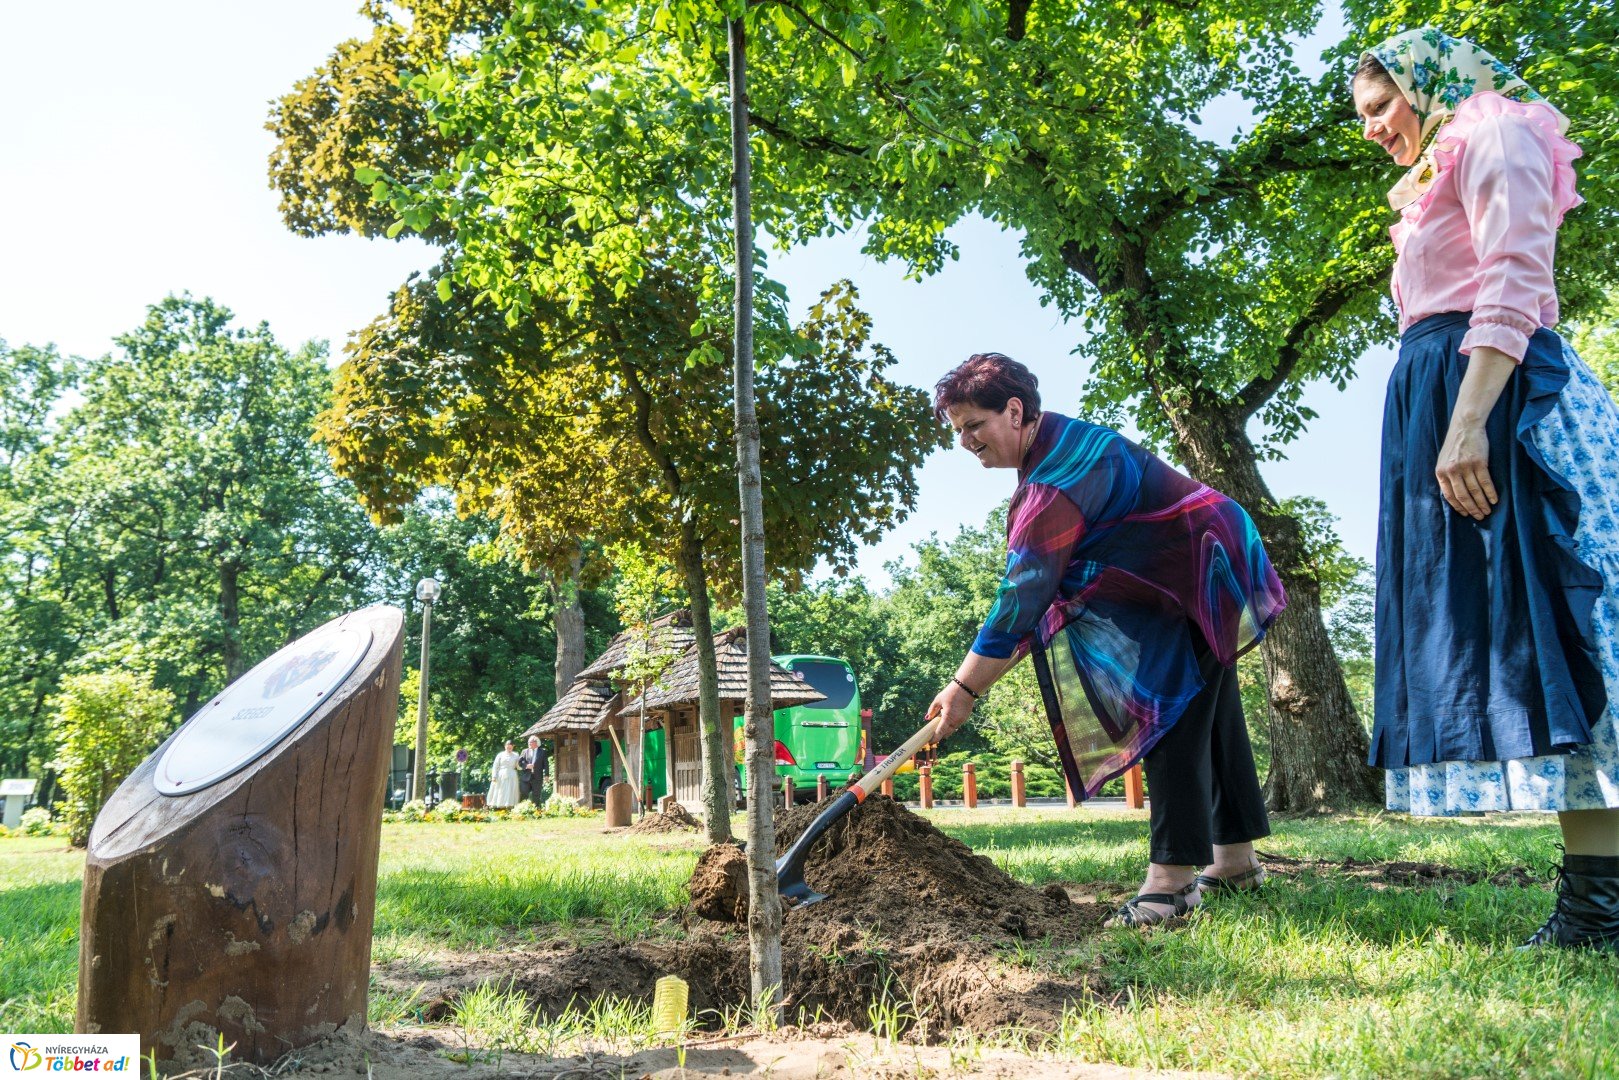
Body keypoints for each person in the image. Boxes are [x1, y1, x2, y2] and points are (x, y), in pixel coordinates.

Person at [1353, 28, 1619, 950]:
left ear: (1422, 85)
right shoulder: (1434, 169)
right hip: (1453, 402)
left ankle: (1597, 913)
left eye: (1380, 106)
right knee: (1524, 648)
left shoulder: (1495, 128)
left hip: (1505, 407)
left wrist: (1466, 421)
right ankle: (1596, 911)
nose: (1373, 129)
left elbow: (1514, 272)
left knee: (1557, 631)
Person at [927, 353, 1287, 927]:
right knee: (1210, 711)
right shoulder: (1056, 446)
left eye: (974, 425)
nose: (966, 441)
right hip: (1199, 563)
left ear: (1015, 411)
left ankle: (1172, 885)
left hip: (1198, 567)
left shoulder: (1055, 483)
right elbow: (1035, 596)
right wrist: (972, 681)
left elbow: (1023, 596)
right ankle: (1237, 862)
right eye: (957, 430)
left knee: (1168, 712)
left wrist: (964, 687)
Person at [518, 735, 550, 806]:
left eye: (531, 742)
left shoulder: (542, 752)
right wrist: (526, 766)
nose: (529, 743)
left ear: (536, 743)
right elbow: (520, 762)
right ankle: (523, 810)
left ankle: (536, 812)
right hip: (525, 777)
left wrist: (546, 775)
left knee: (536, 795)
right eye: (528, 742)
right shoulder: (524, 751)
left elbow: (546, 764)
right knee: (524, 794)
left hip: (537, 777)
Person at [488, 740, 521, 809]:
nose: (509, 748)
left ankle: (510, 806)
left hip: (512, 775)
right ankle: (500, 806)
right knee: (501, 790)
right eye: (507, 746)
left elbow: (518, 766)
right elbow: (495, 766)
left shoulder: (516, 755)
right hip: (501, 775)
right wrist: (494, 776)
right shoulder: (500, 755)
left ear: (513, 747)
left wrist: (525, 766)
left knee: (510, 790)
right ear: (505, 746)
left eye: (510, 746)